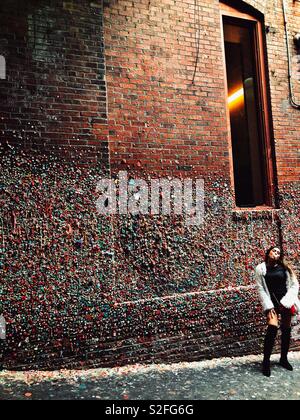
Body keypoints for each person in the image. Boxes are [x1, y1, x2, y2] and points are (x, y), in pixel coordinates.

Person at [255, 246, 300, 377]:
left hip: (286, 301)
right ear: (268, 253)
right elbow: (260, 289)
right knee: (272, 328)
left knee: (286, 329)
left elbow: (294, 285)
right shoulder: (261, 269)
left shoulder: (285, 269)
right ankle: (266, 362)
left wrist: (286, 301)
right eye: (274, 251)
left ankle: (283, 359)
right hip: (272, 303)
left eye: (279, 252)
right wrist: (268, 306)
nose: (276, 253)